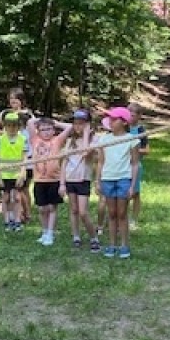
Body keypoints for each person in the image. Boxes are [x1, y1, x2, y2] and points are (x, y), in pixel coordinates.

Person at [92, 107, 140, 259]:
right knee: (111, 213)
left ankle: (124, 245)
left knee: (122, 213)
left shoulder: (132, 140)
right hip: (108, 179)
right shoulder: (104, 139)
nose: (111, 122)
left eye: (115, 119)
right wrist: (97, 181)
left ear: (124, 122)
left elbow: (135, 164)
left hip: (124, 179)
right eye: (110, 119)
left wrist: (132, 185)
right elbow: (100, 162)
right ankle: (112, 244)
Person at [26, 115, 72, 245]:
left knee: (52, 207)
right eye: (43, 130)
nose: (46, 132)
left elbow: (70, 127)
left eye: (49, 129)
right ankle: (44, 231)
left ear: (53, 130)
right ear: (38, 131)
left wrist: (56, 123)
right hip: (39, 181)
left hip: (54, 180)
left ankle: (50, 233)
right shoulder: (35, 140)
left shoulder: (57, 140)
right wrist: (41, 120)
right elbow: (29, 122)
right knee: (42, 208)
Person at [59, 109, 100, 252]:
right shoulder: (70, 142)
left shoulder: (94, 140)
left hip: (83, 179)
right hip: (70, 179)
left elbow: (85, 153)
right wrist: (62, 183)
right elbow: (64, 163)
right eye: (75, 123)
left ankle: (93, 237)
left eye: (82, 123)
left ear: (88, 125)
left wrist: (87, 133)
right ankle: (76, 236)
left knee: (83, 212)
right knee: (74, 210)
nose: (78, 126)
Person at [0, 89, 34, 222]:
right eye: (11, 98)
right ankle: (15, 215)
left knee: (24, 187)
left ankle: (27, 213)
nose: (13, 101)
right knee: (11, 191)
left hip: (24, 154)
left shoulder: (28, 114)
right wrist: (4, 136)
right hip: (8, 159)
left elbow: (33, 132)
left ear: (21, 100)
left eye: (16, 98)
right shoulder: (5, 113)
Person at [0, 111, 29, 231]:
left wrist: (22, 174)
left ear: (18, 126)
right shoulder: (0, 139)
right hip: (4, 174)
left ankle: (17, 220)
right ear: (5, 126)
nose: (12, 128)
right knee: (6, 198)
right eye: (9, 125)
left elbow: (25, 158)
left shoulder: (23, 139)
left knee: (17, 198)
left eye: (14, 125)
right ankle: (7, 221)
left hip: (17, 174)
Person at [126, 102, 151, 230]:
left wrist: (134, 150)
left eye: (133, 115)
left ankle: (133, 219)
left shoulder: (141, 130)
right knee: (123, 193)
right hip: (122, 165)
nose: (130, 117)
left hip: (135, 165)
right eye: (128, 114)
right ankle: (122, 218)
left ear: (139, 116)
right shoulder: (123, 127)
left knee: (135, 193)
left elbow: (147, 150)